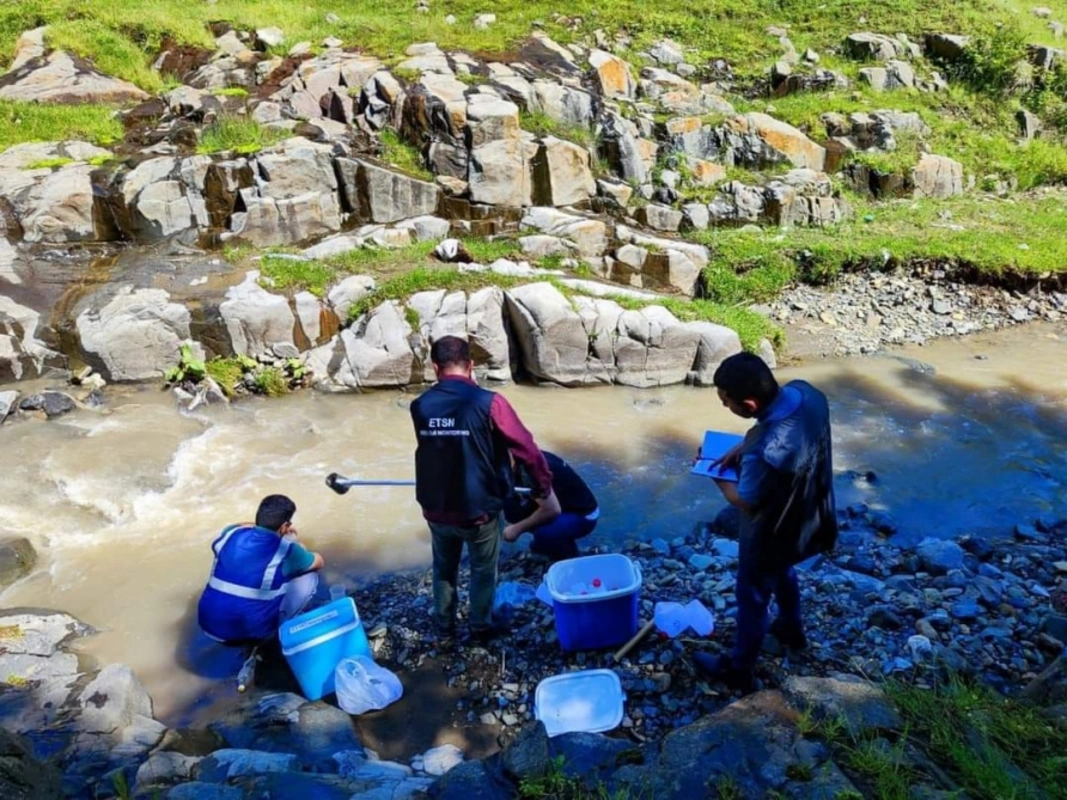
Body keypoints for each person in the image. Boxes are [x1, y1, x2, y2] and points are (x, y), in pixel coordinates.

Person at [694, 353, 837, 690]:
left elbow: (744, 499)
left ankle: (739, 670)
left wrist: (714, 474)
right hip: (811, 513)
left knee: (752, 595)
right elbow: (773, 427)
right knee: (784, 567)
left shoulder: (767, 450)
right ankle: (791, 627)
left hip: (771, 529)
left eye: (727, 402)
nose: (724, 406)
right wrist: (746, 443)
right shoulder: (808, 393)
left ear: (749, 403)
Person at [410, 335, 553, 642]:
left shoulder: (419, 406)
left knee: (443, 570)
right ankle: (480, 628)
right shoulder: (490, 403)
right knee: (483, 570)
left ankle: (444, 630)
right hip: (479, 510)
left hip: (435, 507)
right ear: (471, 366)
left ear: (435, 368)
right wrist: (542, 486)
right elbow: (526, 447)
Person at [197, 494, 324, 644]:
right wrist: (298, 544)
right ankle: (273, 640)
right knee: (309, 577)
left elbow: (240, 525)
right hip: (250, 635)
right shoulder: (284, 550)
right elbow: (319, 561)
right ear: (284, 526)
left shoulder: (230, 534)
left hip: (206, 626)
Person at [504, 450, 599, 561]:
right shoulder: (520, 453)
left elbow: (552, 509)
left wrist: (516, 529)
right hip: (560, 502)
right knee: (510, 507)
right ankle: (545, 543)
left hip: (583, 514)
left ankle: (569, 557)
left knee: (544, 533)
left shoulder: (532, 469)